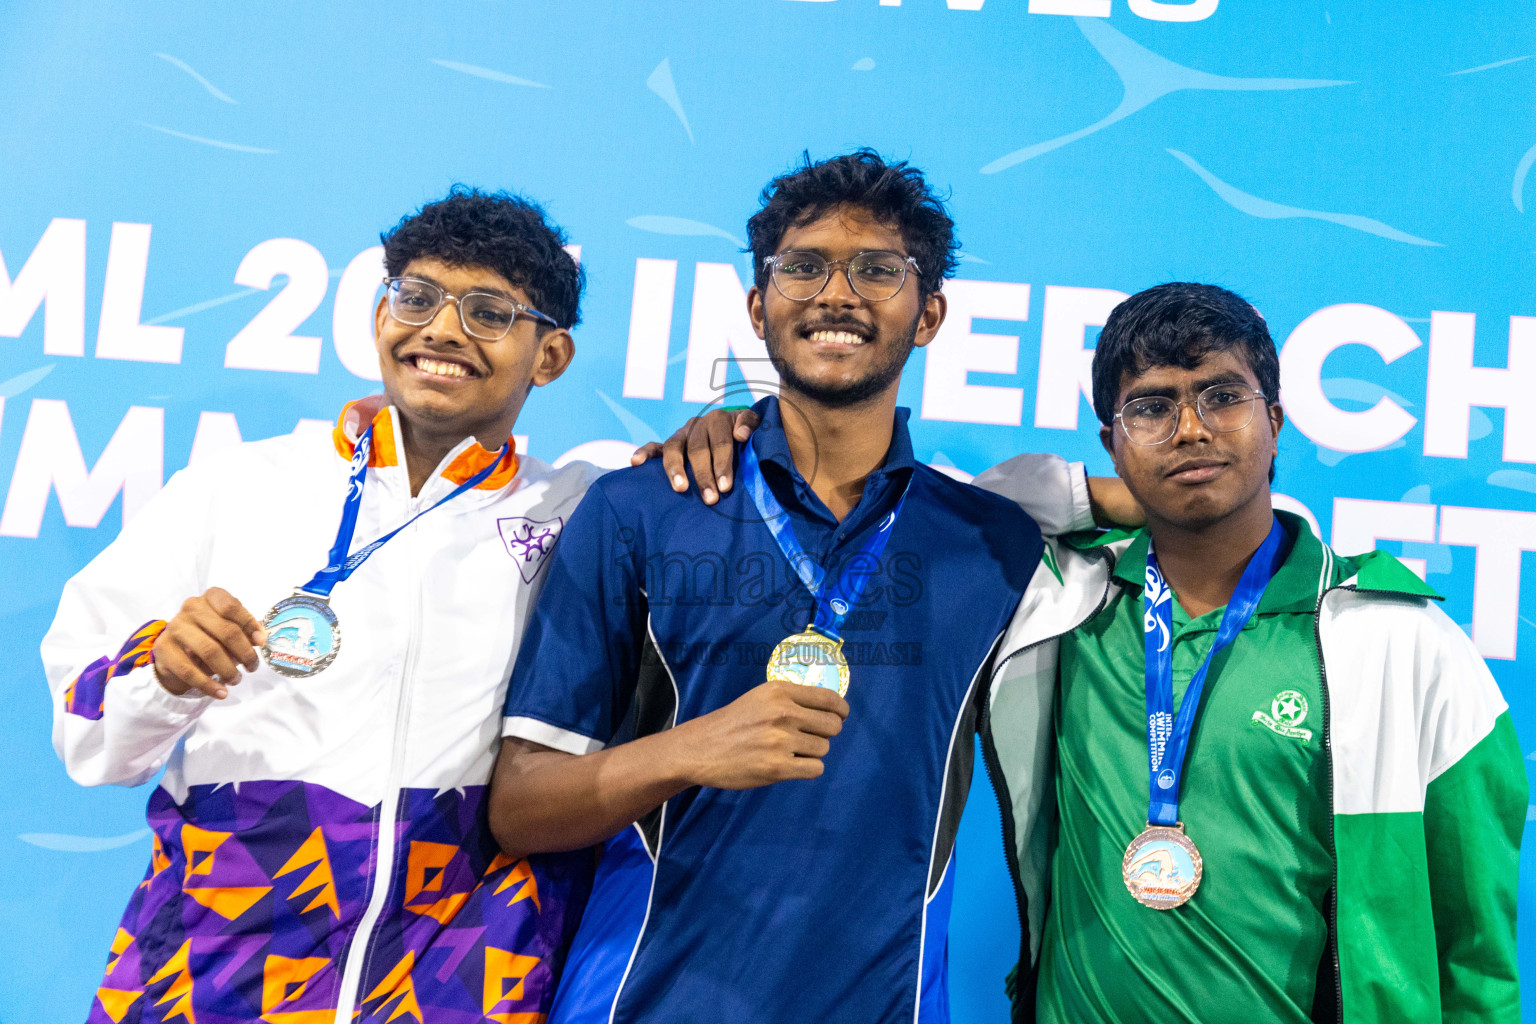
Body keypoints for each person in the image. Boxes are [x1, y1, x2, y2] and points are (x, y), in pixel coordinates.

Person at [486, 150, 1102, 1024]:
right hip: (642, 1002)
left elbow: (1188, 509)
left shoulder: (995, 544)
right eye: (803, 267)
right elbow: (519, 808)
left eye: (878, 270)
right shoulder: (641, 508)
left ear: (928, 314)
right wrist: (693, 750)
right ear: (757, 306)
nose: (836, 294)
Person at [44, 187, 603, 1023]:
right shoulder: (239, 485)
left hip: (449, 989)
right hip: (208, 980)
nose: (440, 331)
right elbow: (89, 743)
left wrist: (708, 438)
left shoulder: (585, 514)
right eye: (415, 297)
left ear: (549, 355)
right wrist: (159, 669)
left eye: (488, 311)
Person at [975, 282, 1524, 1022]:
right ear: (1111, 444)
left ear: (1275, 420)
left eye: (1222, 396)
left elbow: (1475, 953)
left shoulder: (1403, 641)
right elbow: (962, 510)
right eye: (1152, 408)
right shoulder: (1063, 600)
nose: (1191, 429)